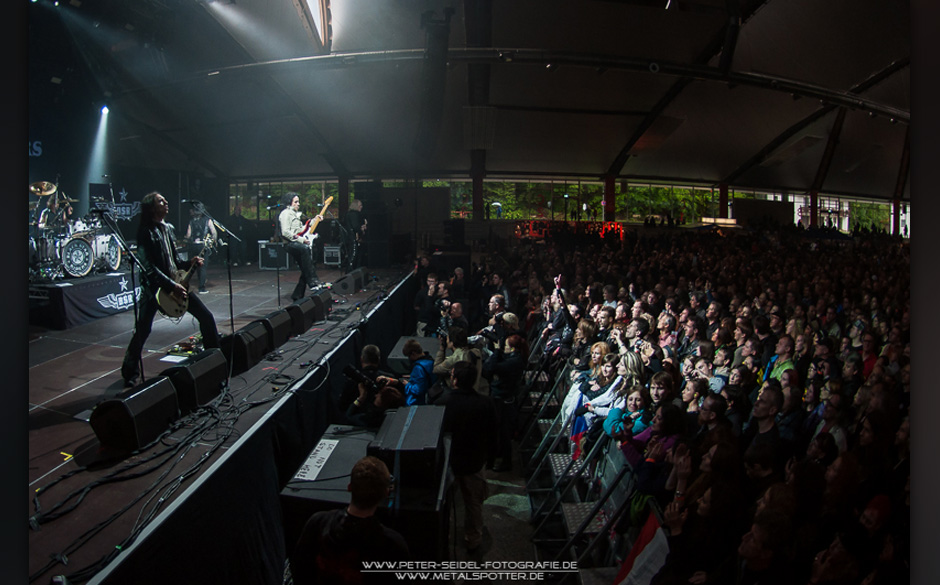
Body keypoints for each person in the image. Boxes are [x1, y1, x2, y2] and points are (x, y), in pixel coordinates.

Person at [121, 192, 220, 387]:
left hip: (174, 284)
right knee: (143, 329)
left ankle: (214, 358)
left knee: (206, 317)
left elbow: (174, 262)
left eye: (165, 200)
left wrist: (189, 263)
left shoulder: (167, 229)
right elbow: (148, 267)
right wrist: (170, 286)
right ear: (151, 208)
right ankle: (129, 372)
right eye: (160, 201)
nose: (166, 202)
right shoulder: (145, 231)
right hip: (154, 289)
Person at [290, 456, 410, 585]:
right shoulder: (393, 545)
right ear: (386, 494)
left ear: (349, 487)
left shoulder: (317, 523)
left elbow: (299, 570)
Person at [436, 361, 497, 552]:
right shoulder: (486, 403)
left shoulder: (442, 403)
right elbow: (493, 434)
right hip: (474, 462)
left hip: (448, 463)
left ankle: (442, 538)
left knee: (443, 503)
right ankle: (474, 539)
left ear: (454, 380)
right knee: (473, 504)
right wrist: (491, 459)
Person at [279, 192, 323, 301]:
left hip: (297, 242)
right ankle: (312, 280)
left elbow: (302, 230)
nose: (298, 204)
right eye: (296, 202)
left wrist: (314, 220)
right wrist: (301, 240)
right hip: (290, 243)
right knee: (305, 250)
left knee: (305, 267)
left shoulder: (295, 214)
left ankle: (297, 295)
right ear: (289, 202)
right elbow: (285, 232)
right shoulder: (285, 214)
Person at [377, 339, 436, 406]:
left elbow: (418, 390)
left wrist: (407, 385)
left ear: (413, 353)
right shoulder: (431, 362)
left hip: (416, 403)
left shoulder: (418, 368)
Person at [184, 202, 217, 294]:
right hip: (203, 246)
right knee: (202, 267)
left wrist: (186, 239)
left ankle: (185, 286)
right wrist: (213, 241)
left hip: (194, 246)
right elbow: (214, 232)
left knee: (194, 267)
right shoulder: (208, 220)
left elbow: (188, 234)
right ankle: (201, 288)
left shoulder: (191, 221)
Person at [343, 198, 367, 271]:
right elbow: (355, 226)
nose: (361, 207)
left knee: (354, 255)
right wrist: (362, 228)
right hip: (352, 237)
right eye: (360, 205)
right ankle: (350, 271)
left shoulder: (349, 214)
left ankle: (352, 271)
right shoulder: (353, 214)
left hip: (350, 237)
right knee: (353, 255)